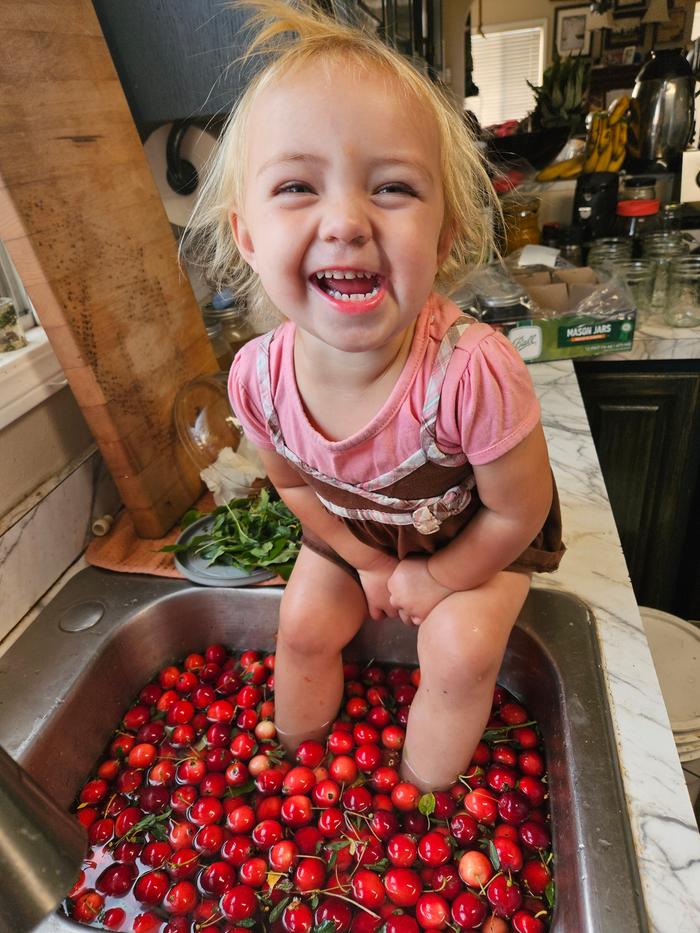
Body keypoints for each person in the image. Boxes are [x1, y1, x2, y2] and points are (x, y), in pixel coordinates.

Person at [186, 0, 565, 791]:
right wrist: (361, 561)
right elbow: (293, 483)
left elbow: (517, 512)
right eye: (296, 186)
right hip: (361, 528)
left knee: (458, 651)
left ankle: (416, 801)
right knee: (301, 623)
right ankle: (295, 776)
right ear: (248, 235)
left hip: (474, 534)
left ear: (446, 234)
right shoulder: (257, 379)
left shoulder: (473, 372)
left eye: (391, 188)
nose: (346, 222)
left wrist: (436, 578)